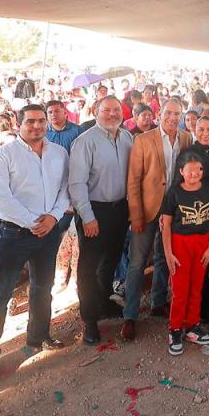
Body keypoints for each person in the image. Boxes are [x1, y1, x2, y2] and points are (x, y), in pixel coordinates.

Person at [0, 104, 69, 382]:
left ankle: (39, 336)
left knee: (43, 287)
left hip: (48, 231)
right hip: (12, 234)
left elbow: (65, 189)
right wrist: (33, 222)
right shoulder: (2, 156)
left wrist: (52, 218)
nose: (37, 126)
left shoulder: (59, 153)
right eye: (30, 121)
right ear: (18, 124)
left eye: (41, 121)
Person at [121, 98, 191, 339]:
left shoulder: (186, 138)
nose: (172, 117)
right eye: (168, 113)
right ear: (160, 113)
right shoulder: (143, 140)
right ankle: (130, 315)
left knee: (163, 258)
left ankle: (158, 302)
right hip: (147, 209)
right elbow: (133, 180)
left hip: (173, 211)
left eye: (177, 114)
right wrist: (136, 214)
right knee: (137, 262)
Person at [68, 96, 134, 344]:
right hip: (94, 210)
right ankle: (89, 319)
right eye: (106, 110)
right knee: (88, 266)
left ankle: (105, 302)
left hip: (120, 209)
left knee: (111, 260)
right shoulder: (85, 141)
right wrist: (87, 217)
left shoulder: (127, 138)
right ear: (96, 112)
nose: (112, 114)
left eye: (116, 110)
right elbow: (77, 183)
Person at [160, 151, 209, 355]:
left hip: (202, 243)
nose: (195, 174)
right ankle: (175, 328)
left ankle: (193, 325)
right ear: (181, 171)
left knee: (197, 287)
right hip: (180, 244)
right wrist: (168, 253)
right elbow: (166, 226)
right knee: (180, 289)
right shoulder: (174, 193)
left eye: (198, 170)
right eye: (190, 170)